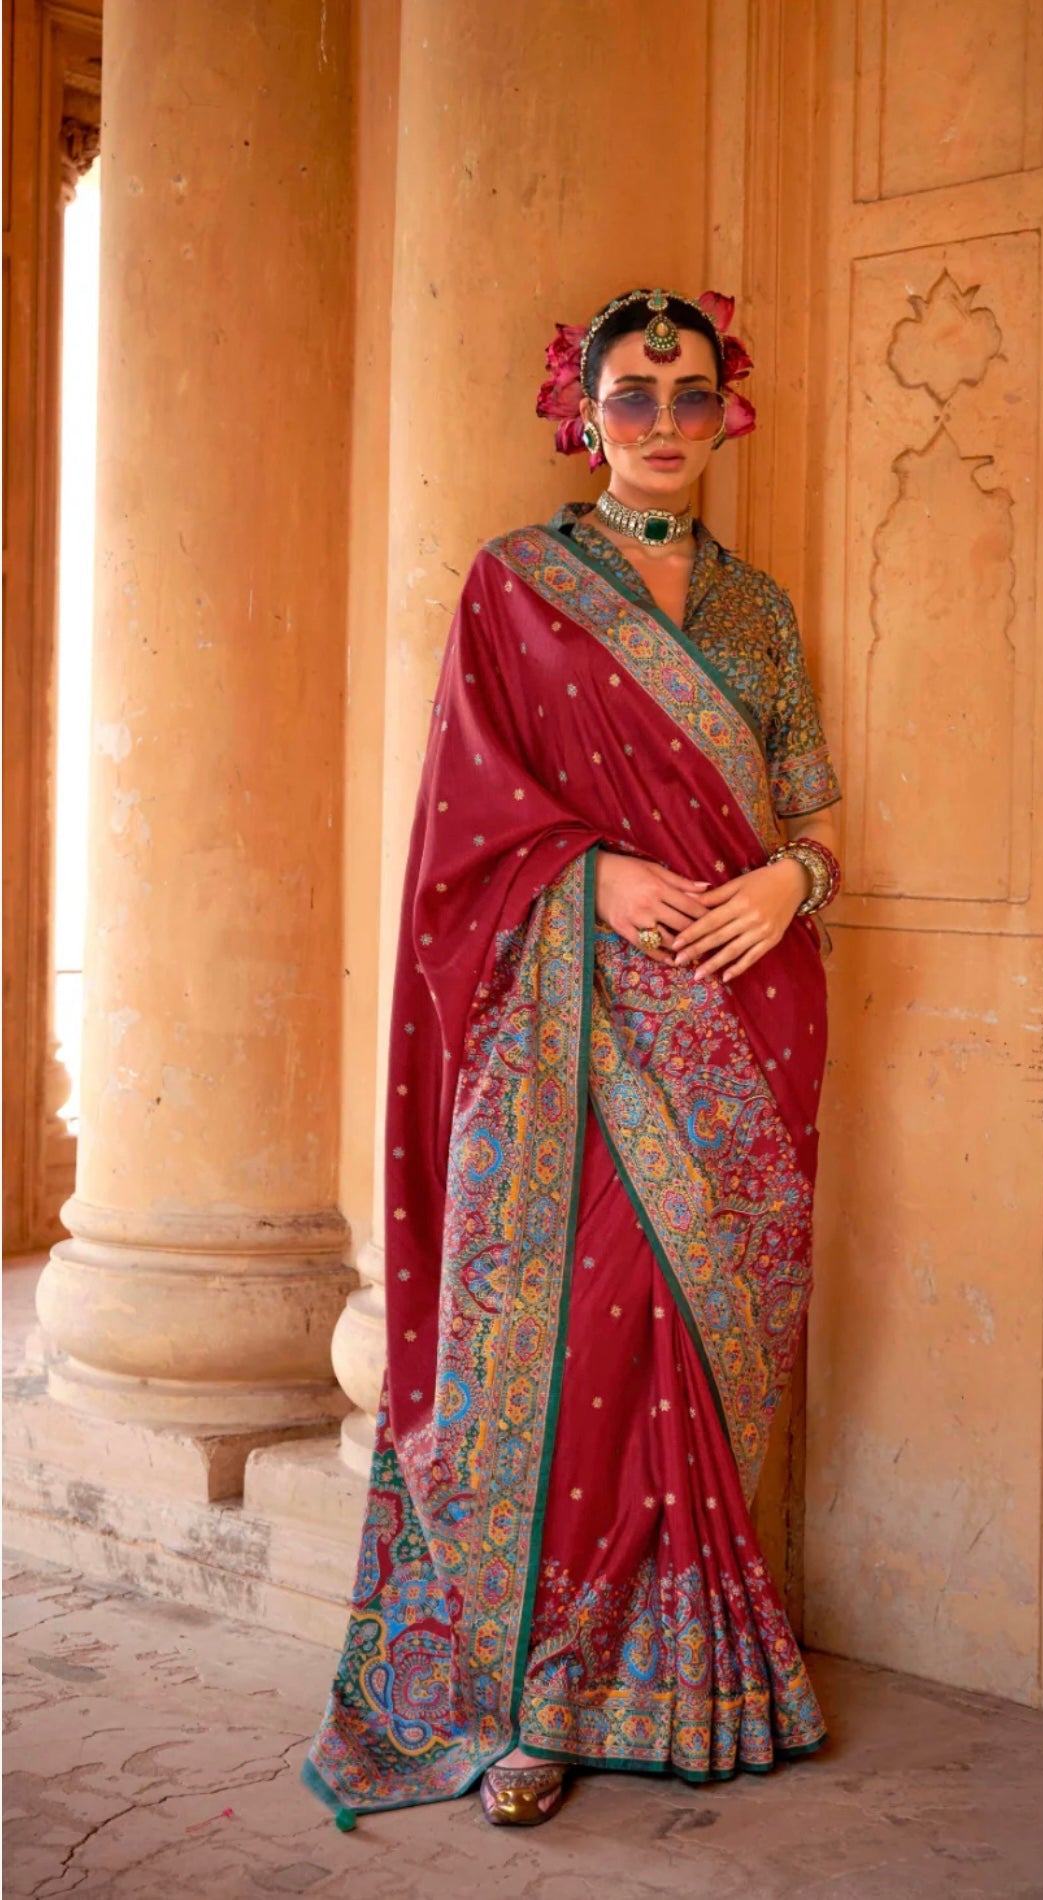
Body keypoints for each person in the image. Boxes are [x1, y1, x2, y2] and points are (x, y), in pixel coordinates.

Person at [302, 287, 843, 1831]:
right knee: (567, 1346)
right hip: (571, 1019)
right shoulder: (515, 587)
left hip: (748, 1013)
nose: (663, 421)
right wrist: (590, 874)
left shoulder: (761, 613)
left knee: (707, 1351)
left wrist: (788, 883)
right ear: (582, 412)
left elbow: (816, 817)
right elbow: (462, 819)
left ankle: (699, 1681)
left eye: (690, 393)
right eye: (634, 394)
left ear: (728, 409)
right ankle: (532, 1692)